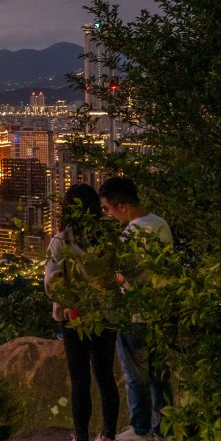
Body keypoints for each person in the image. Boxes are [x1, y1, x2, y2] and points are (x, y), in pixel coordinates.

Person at [100, 177, 172, 441]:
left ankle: (140, 429)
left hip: (136, 313)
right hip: (162, 310)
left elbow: (121, 276)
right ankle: (165, 427)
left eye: (108, 208)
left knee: (134, 375)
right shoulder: (160, 223)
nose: (109, 214)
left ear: (122, 206)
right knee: (159, 374)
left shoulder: (131, 233)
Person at [46, 183, 120, 441]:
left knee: (80, 381)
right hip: (106, 315)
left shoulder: (61, 241)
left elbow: (52, 284)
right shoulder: (109, 238)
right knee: (105, 375)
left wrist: (68, 305)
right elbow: (117, 275)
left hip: (74, 316)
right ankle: (109, 434)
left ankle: (81, 436)